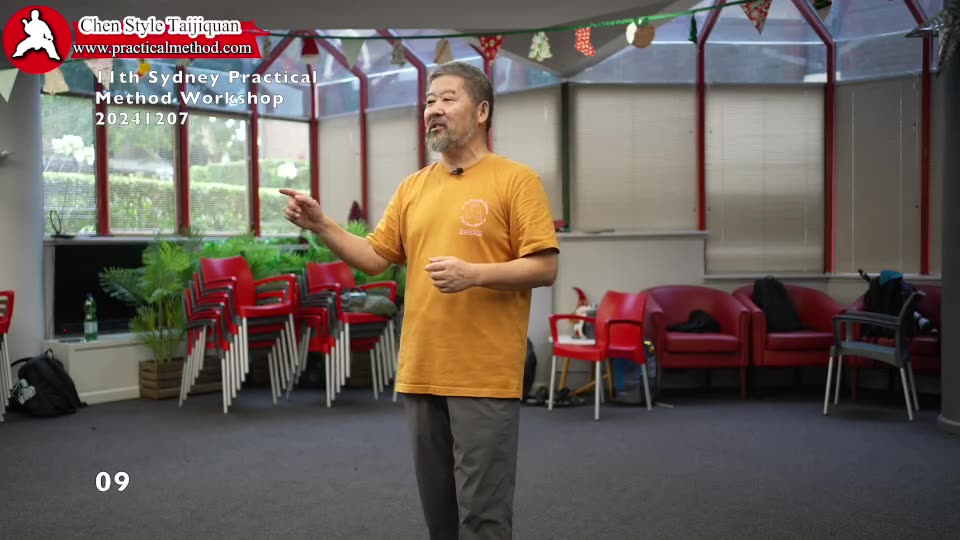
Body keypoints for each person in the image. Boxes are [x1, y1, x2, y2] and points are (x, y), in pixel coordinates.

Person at [282, 60, 559, 539]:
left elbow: (544, 266)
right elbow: (374, 258)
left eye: (448, 98)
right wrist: (322, 225)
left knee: (484, 515)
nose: (434, 109)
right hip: (422, 369)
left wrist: (475, 274)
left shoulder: (516, 180)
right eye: (430, 101)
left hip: (483, 374)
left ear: (482, 112)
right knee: (439, 516)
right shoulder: (413, 187)